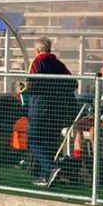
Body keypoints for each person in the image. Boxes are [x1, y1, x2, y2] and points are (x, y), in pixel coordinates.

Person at [20, 37, 76, 186]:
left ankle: (50, 168)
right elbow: (73, 83)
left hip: (40, 107)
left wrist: (26, 90)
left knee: (33, 139)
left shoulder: (37, 62)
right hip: (57, 108)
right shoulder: (59, 64)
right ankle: (46, 175)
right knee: (50, 140)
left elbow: (31, 84)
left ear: (37, 50)